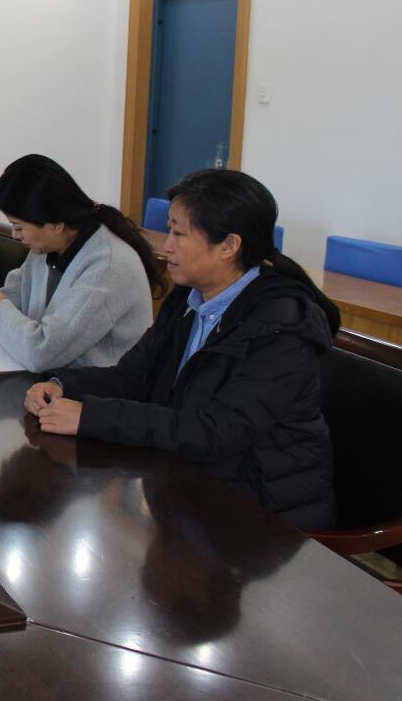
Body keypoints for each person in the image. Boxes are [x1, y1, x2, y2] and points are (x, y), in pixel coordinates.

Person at [24, 168, 340, 529]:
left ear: (228, 245)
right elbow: (132, 376)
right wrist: (62, 385)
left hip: (262, 514)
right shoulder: (188, 299)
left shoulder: (281, 326)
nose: (167, 246)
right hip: (189, 486)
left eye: (179, 233)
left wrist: (90, 416)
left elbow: (216, 431)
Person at [0, 154, 163, 372]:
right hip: (52, 388)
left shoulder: (107, 267)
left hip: (97, 400)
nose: (15, 235)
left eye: (19, 226)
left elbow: (41, 353)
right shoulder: (45, 253)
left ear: (55, 224)